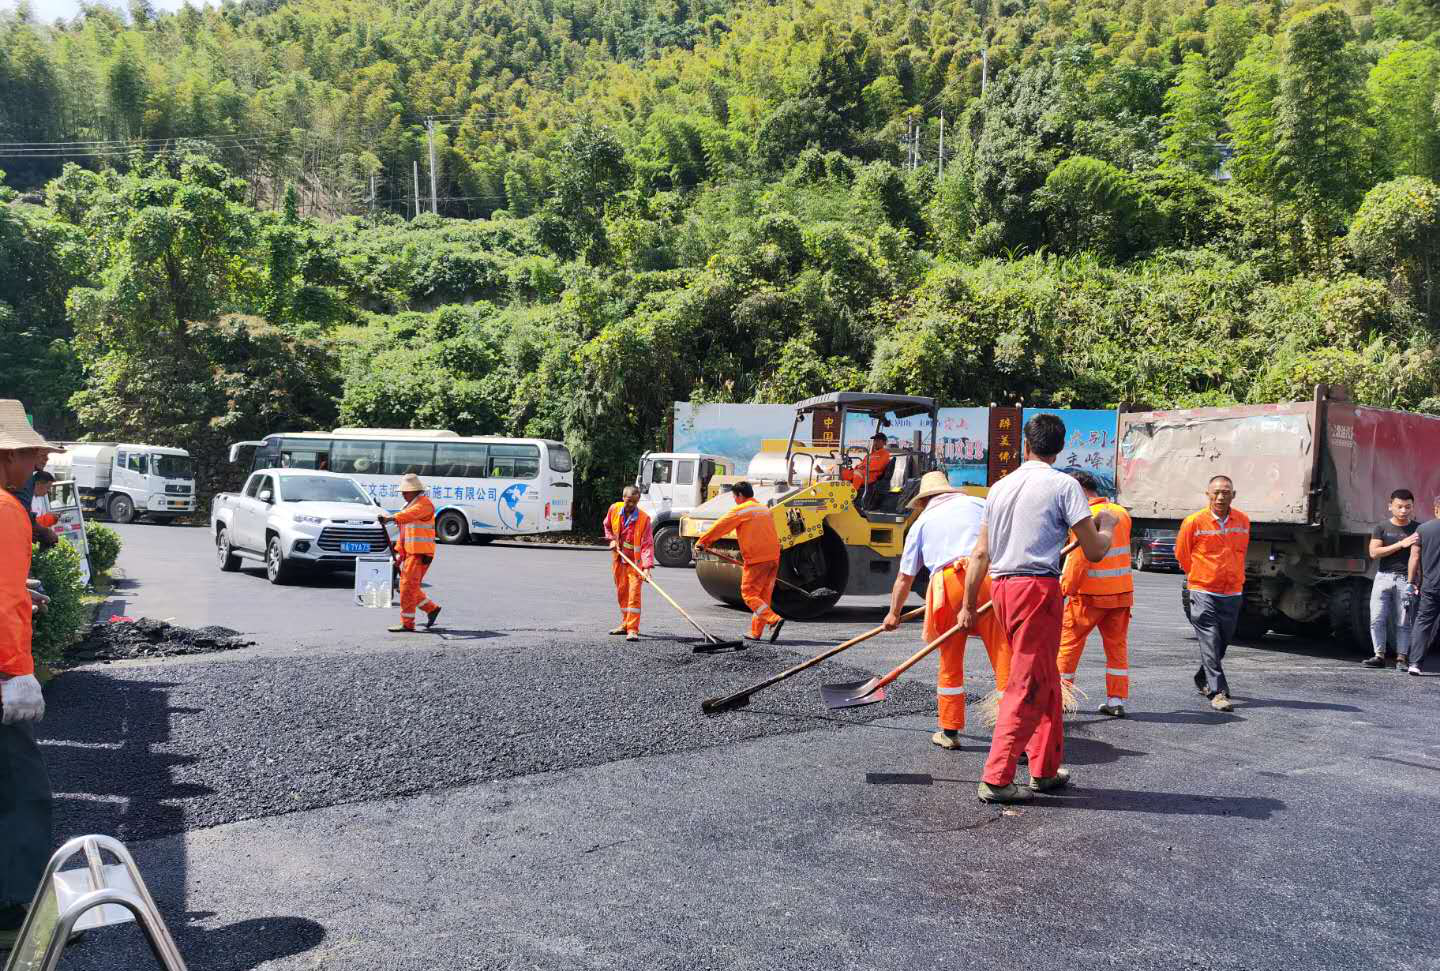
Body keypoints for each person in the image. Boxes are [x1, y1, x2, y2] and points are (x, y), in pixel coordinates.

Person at [961, 414, 1118, 804]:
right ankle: (996, 778)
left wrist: (968, 605)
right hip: (1037, 589)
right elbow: (1096, 551)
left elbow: (980, 551)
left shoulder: (999, 488)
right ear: (1059, 449)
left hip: (1002, 588)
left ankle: (1044, 769)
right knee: (1027, 683)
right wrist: (1108, 524)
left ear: (1024, 447)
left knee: (1046, 679)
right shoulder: (1064, 485)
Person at [882, 470, 1010, 751]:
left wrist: (894, 613)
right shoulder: (978, 503)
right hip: (989, 576)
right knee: (1003, 653)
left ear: (923, 500)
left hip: (948, 584)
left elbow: (905, 577)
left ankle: (949, 731)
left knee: (950, 657)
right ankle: (1013, 734)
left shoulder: (922, 522)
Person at [0, 400, 61, 952]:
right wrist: (17, 673)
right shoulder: (3, 509)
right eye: (33, 452)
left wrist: (25, 592)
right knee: (21, 791)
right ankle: (10, 911)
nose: (39, 461)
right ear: (8, 456)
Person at [1057, 471, 1134, 718]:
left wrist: (1063, 590)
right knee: (1117, 648)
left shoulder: (1083, 517)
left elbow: (1077, 562)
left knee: (1068, 646)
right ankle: (1116, 699)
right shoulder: (1120, 513)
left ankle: (1060, 697)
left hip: (1088, 597)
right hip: (1120, 594)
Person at [1175, 475, 1250, 712]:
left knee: (1222, 642)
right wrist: (1199, 575)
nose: (1220, 497)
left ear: (1233, 495)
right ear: (1208, 494)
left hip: (1232, 591)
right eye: (1216, 492)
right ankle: (1218, 692)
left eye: (1226, 492)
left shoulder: (1243, 521)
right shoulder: (1193, 522)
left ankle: (1202, 677)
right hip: (1203, 589)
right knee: (1209, 638)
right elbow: (1182, 554)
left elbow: (1241, 553)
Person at [696, 481, 784, 642]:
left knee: (749, 593)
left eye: (734, 497)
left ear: (740, 495)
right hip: (773, 557)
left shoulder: (741, 510)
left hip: (757, 558)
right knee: (763, 596)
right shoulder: (764, 509)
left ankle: (773, 619)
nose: (734, 500)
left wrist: (703, 542)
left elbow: (720, 526)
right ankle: (756, 632)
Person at [378, 473, 442, 633]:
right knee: (407, 587)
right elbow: (404, 532)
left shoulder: (424, 504)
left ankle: (407, 623)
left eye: (405, 491)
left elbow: (409, 516)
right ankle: (431, 608)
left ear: (414, 491)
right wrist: (400, 554)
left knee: (407, 586)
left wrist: (390, 518)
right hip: (411, 553)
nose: (403, 494)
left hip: (421, 553)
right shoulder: (408, 506)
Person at [1363, 489, 1419, 669]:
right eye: (1399, 507)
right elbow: (1374, 552)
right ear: (1390, 507)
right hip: (1383, 577)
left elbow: (1420, 556)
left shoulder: (1418, 528)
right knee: (1377, 618)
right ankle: (1379, 655)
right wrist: (1400, 544)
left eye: (1407, 507)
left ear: (1413, 507)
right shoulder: (1381, 527)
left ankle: (1401, 658)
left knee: (1403, 621)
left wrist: (1416, 582)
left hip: (1406, 580)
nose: (1403, 510)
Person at [604, 486, 654, 642]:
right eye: (629, 501)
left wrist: (646, 568)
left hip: (635, 564)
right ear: (623, 497)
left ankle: (633, 629)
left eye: (635, 502)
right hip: (619, 560)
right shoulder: (614, 509)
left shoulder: (644, 519)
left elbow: (647, 544)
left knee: (633, 596)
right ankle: (625, 624)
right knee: (622, 593)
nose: (631, 505)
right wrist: (611, 539)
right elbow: (607, 526)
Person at [1405, 496, 1440, 676]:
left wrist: (1411, 582)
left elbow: (1415, 558)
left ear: (1436, 509)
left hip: (1431, 586)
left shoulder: (1423, 529)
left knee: (1423, 623)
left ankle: (1415, 664)